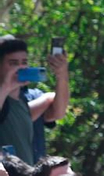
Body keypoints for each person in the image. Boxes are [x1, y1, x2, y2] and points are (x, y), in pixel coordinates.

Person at [0, 37, 67, 165]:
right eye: (13, 63)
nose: (20, 67)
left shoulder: (23, 101)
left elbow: (59, 113)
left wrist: (62, 74)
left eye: (24, 62)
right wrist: (6, 86)